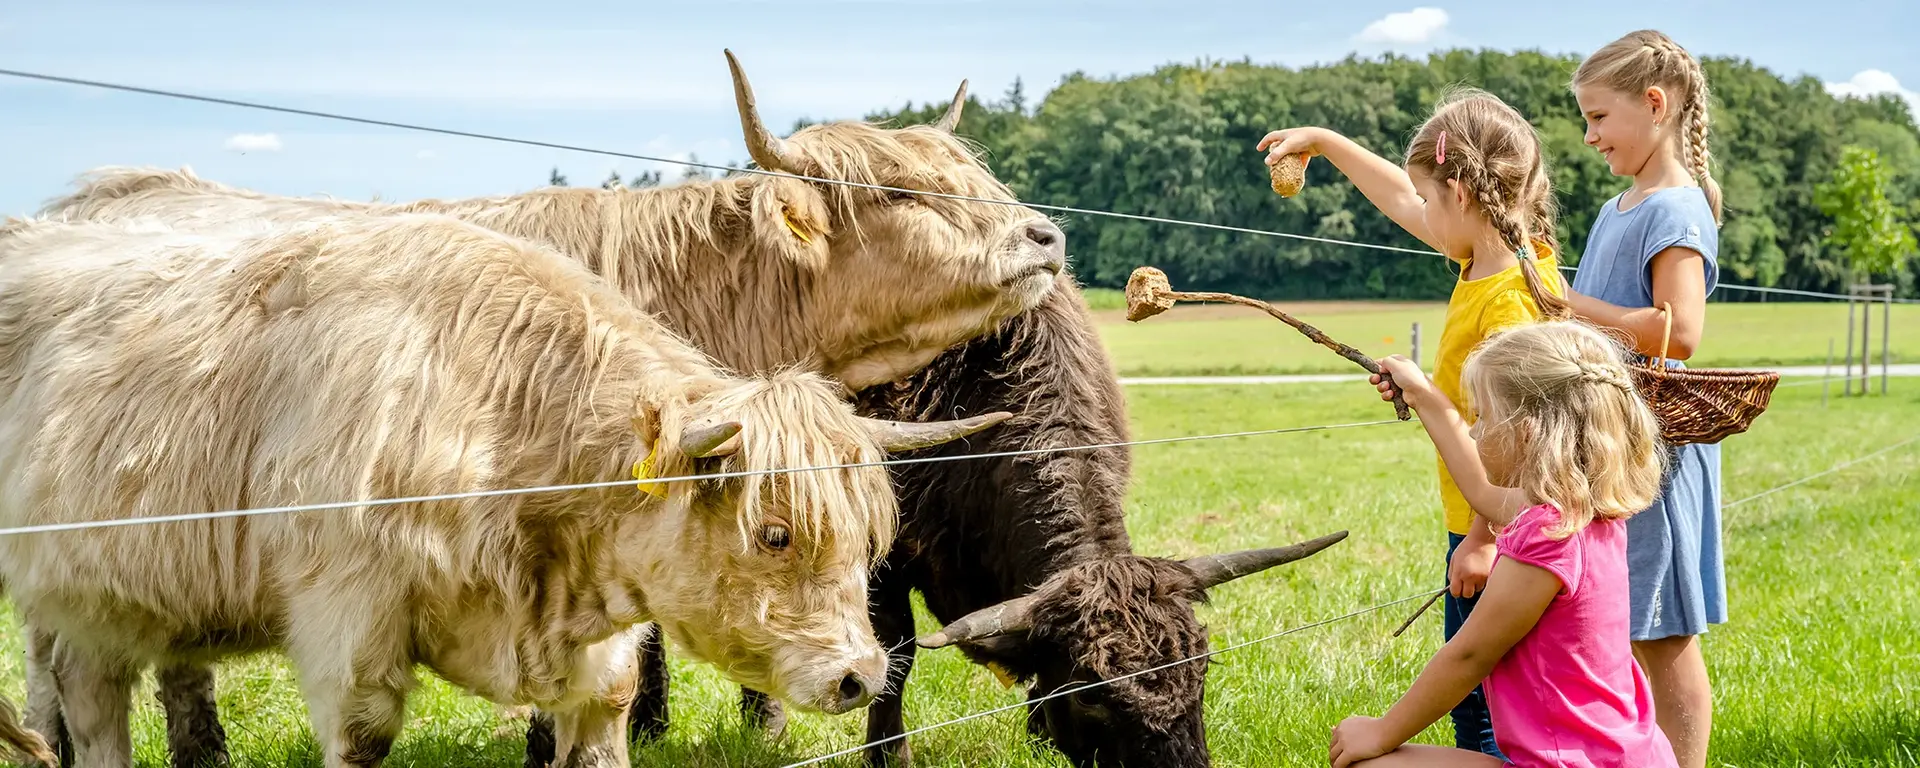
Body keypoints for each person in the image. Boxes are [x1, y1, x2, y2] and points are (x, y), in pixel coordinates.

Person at [1257, 87, 1568, 760]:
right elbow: (1402, 197)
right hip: (1484, 518)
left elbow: (1519, 432)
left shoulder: (1509, 300)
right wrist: (1324, 140)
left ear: (1460, 191)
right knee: (1484, 702)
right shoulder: (1489, 256)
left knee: (1483, 708)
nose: (1420, 211)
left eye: (1432, 198)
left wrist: (1483, 537)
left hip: (1500, 527)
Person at [1327, 320, 1680, 768]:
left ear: (1528, 433)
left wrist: (1380, 732)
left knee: (1370, 765)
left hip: (1566, 764)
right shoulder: (1585, 511)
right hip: (1626, 757)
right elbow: (1481, 492)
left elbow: (1469, 655)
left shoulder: (1546, 538)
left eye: (1484, 418)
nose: (1475, 433)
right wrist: (1424, 397)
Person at [1566, 29, 1726, 768]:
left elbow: (1679, 331)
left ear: (1654, 105)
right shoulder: (1617, 207)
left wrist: (1571, 305)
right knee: (1625, 623)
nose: (1589, 135)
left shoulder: (1676, 209)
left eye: (1599, 117)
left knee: (1664, 635)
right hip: (1615, 448)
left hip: (1657, 455)